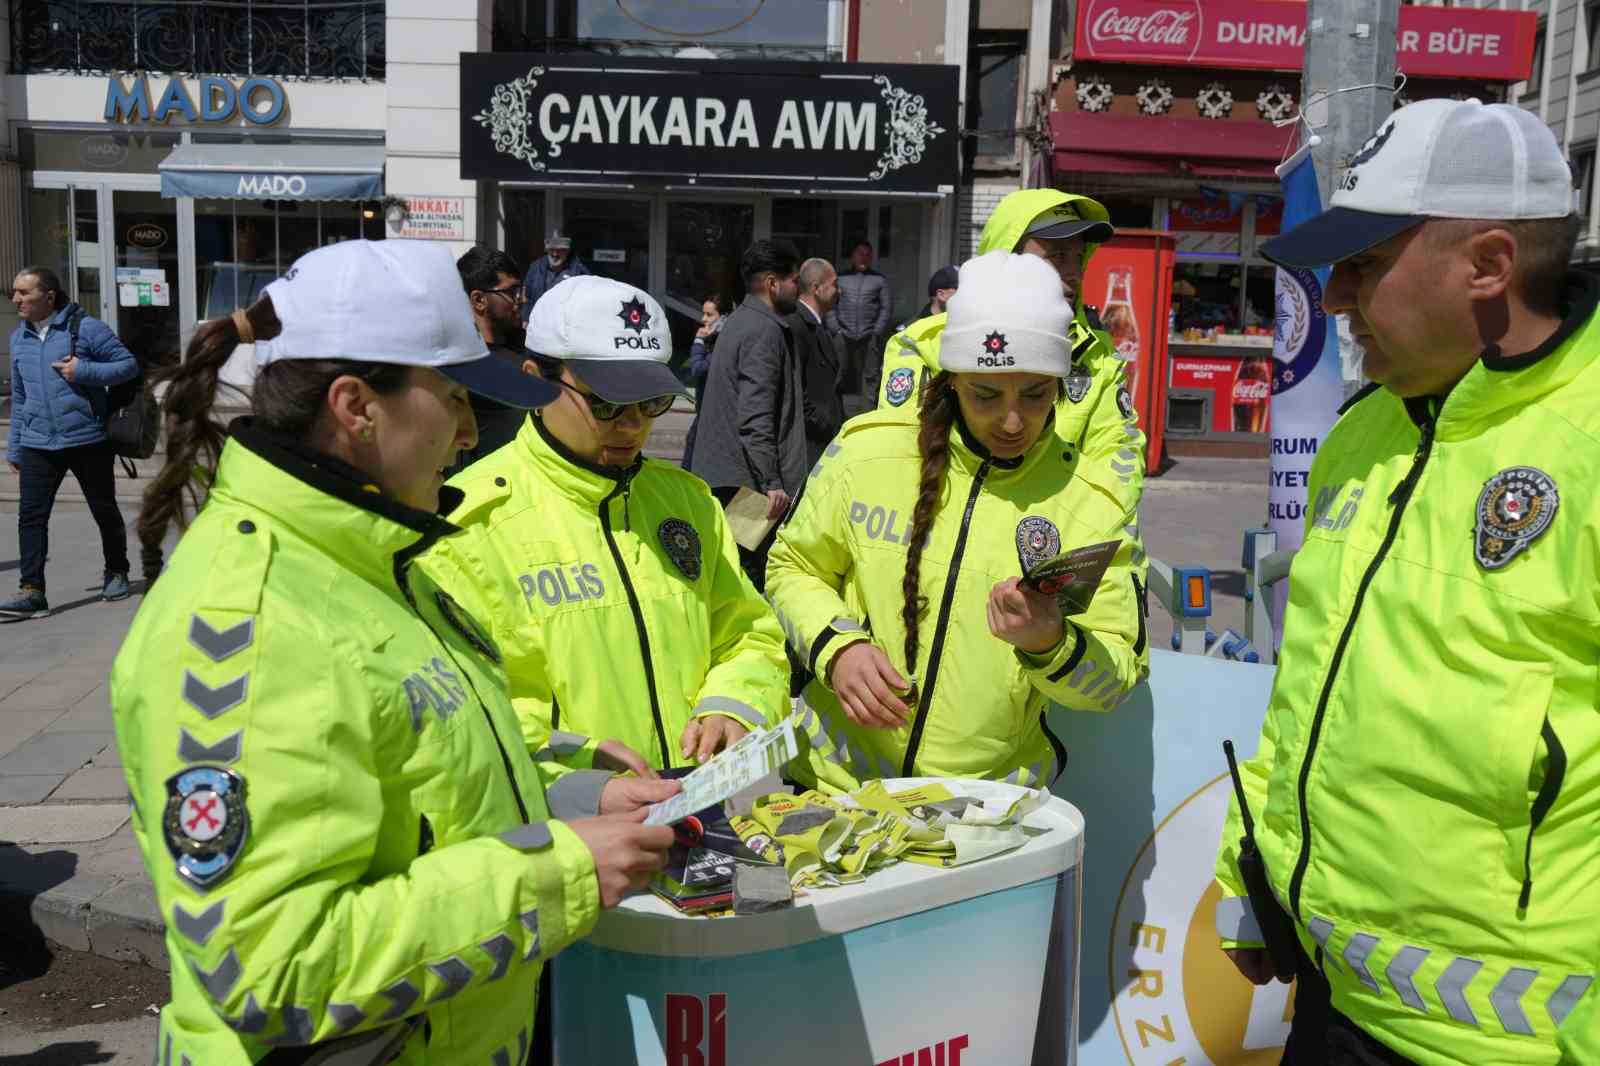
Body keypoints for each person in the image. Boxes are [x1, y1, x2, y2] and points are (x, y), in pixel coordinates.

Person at [110, 240, 678, 1065]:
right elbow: (275, 969)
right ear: (355, 406)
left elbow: (421, 779)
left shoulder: (368, 558)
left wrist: (574, 793)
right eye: (452, 397)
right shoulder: (257, 621)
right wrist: (557, 872)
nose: (470, 430)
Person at [1214, 99, 1600, 1066]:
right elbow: (1305, 694)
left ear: (1490, 264)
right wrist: (1253, 882)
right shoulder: (1363, 433)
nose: (1336, 296)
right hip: (1331, 1008)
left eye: (1365, 262)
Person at [766, 251, 1148, 795]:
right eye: (986, 395)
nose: (1013, 420)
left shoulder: (1091, 501)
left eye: (1037, 394)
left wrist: (1052, 643)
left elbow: (1115, 682)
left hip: (987, 814)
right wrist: (837, 647)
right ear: (950, 382)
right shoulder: (867, 452)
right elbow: (792, 565)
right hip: (837, 792)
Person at [423, 275, 790, 784]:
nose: (632, 425)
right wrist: (583, 775)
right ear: (534, 379)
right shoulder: (470, 522)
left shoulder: (688, 501)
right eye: (606, 404)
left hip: (702, 809)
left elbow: (748, 634)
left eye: (651, 403)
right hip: (570, 832)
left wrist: (734, 705)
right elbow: (470, 712)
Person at [876, 190, 1148, 573]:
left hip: (1040, 555)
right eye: (1055, 256)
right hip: (935, 553)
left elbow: (1119, 466)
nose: (1072, 271)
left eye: (1077, 255)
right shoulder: (924, 344)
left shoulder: (1097, 358)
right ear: (1006, 258)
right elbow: (898, 458)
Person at [3, 266, 140, 618]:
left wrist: (85, 372)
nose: (15, 299)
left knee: (103, 509)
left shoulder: (85, 327)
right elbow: (19, 398)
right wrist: (15, 445)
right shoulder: (19, 338)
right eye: (14, 293)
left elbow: (128, 365)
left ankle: (116, 571)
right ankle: (32, 591)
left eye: (23, 293)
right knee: (30, 517)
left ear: (48, 296)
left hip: (86, 437)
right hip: (37, 442)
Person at [688, 239, 807, 589]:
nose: (797, 289)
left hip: (735, 477)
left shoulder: (742, 321)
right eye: (794, 281)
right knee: (749, 580)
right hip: (749, 485)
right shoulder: (763, 330)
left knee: (733, 575)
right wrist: (772, 481)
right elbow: (755, 415)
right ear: (773, 283)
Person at [455, 245, 536, 467]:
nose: (521, 300)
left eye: (520, 291)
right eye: (511, 292)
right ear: (479, 300)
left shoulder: (525, 345)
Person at [790, 257, 846, 468]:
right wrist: (821, 423)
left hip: (822, 441)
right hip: (808, 447)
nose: (839, 292)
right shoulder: (796, 325)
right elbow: (796, 388)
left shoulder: (817, 326)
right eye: (835, 285)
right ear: (816, 288)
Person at [878, 265, 959, 411]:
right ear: (941, 295)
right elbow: (898, 397)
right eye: (961, 291)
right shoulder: (909, 334)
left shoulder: (963, 329)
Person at [828, 239, 891, 400]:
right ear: (852, 256)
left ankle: (868, 413)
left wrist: (877, 331)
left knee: (871, 376)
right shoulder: (840, 278)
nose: (864, 257)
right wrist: (836, 328)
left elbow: (886, 307)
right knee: (837, 373)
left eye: (867, 254)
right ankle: (836, 412)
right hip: (842, 334)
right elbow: (830, 305)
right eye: (860, 254)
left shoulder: (879, 280)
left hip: (869, 336)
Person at [521, 228, 590, 319]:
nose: (555, 254)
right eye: (551, 249)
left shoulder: (578, 271)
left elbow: (585, 301)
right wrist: (526, 317)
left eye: (560, 250)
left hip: (565, 323)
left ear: (567, 251)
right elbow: (526, 295)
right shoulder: (535, 267)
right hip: (538, 320)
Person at [687, 292, 731, 407]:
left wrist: (698, 340)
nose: (703, 319)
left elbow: (698, 369)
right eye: (703, 314)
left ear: (723, 319)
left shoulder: (723, 344)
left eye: (709, 315)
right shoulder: (712, 339)